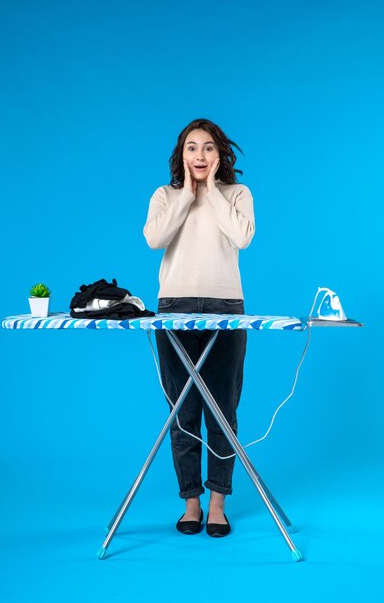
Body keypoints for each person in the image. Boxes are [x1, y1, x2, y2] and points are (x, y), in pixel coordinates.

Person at [143, 118, 255, 537]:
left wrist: (211, 193)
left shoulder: (238, 194)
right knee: (183, 410)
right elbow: (155, 238)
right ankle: (191, 501)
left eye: (208, 148)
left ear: (220, 154)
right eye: (192, 148)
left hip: (226, 307)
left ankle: (218, 503)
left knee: (222, 409)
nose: (200, 155)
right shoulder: (165, 196)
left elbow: (242, 237)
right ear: (182, 154)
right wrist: (188, 194)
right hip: (175, 306)